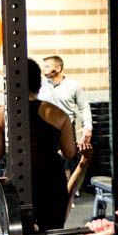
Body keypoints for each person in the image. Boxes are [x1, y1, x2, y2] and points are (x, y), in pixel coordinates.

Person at [0, 58, 76, 235]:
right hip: (52, 185)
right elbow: (69, 152)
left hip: (18, 186)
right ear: (37, 82)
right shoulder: (57, 113)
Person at [40, 55, 94, 209]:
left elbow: (84, 107)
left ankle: (66, 195)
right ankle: (48, 194)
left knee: (67, 161)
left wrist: (87, 128)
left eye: (47, 66)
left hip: (66, 127)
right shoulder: (40, 86)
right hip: (45, 127)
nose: (44, 69)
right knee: (47, 161)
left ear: (58, 68)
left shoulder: (73, 85)